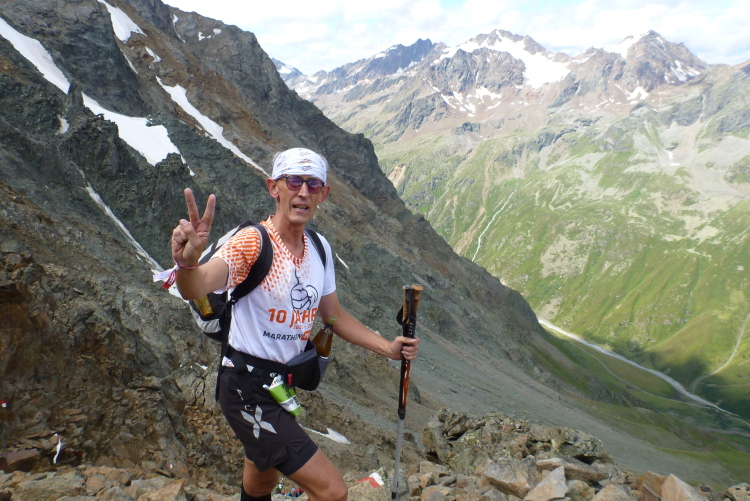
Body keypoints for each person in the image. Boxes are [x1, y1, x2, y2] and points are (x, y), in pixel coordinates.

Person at [170, 147, 420, 501]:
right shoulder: (252, 242)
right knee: (332, 491)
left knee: (261, 482)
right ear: (274, 187)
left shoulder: (319, 248)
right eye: (293, 181)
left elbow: (333, 315)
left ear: (324, 194)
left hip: (280, 385)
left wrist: (388, 349)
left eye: (313, 184)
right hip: (245, 386)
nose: (303, 192)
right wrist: (188, 264)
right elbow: (197, 286)